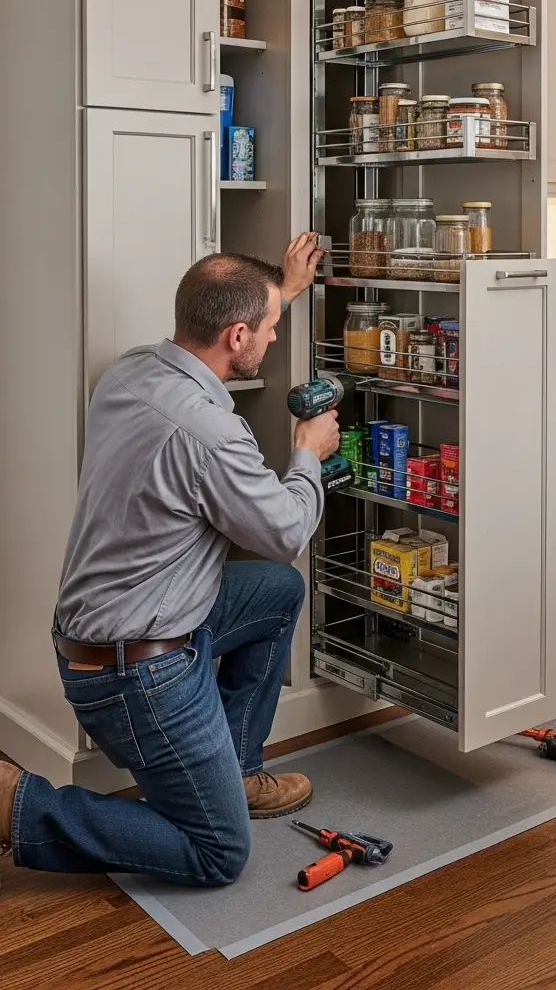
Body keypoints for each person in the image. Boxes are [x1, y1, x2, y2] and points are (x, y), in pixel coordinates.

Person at [0, 235, 339, 888]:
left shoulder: (130, 372)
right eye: (268, 329)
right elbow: (286, 531)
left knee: (273, 592)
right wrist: (306, 453)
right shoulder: (211, 433)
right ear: (237, 336)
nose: (273, 340)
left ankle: (235, 772)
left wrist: (285, 292)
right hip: (137, 675)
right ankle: (20, 804)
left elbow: (269, 561)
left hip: (102, 630)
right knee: (217, 854)